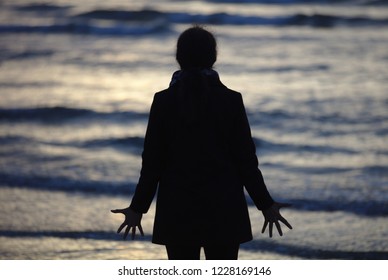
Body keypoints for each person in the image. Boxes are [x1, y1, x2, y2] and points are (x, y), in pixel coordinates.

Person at [111, 26, 292, 260]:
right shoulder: (231, 100)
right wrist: (266, 205)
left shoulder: (163, 101)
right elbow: (245, 161)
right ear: (213, 57)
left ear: (179, 58)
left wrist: (137, 209)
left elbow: (152, 163)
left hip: (177, 210)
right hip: (225, 208)